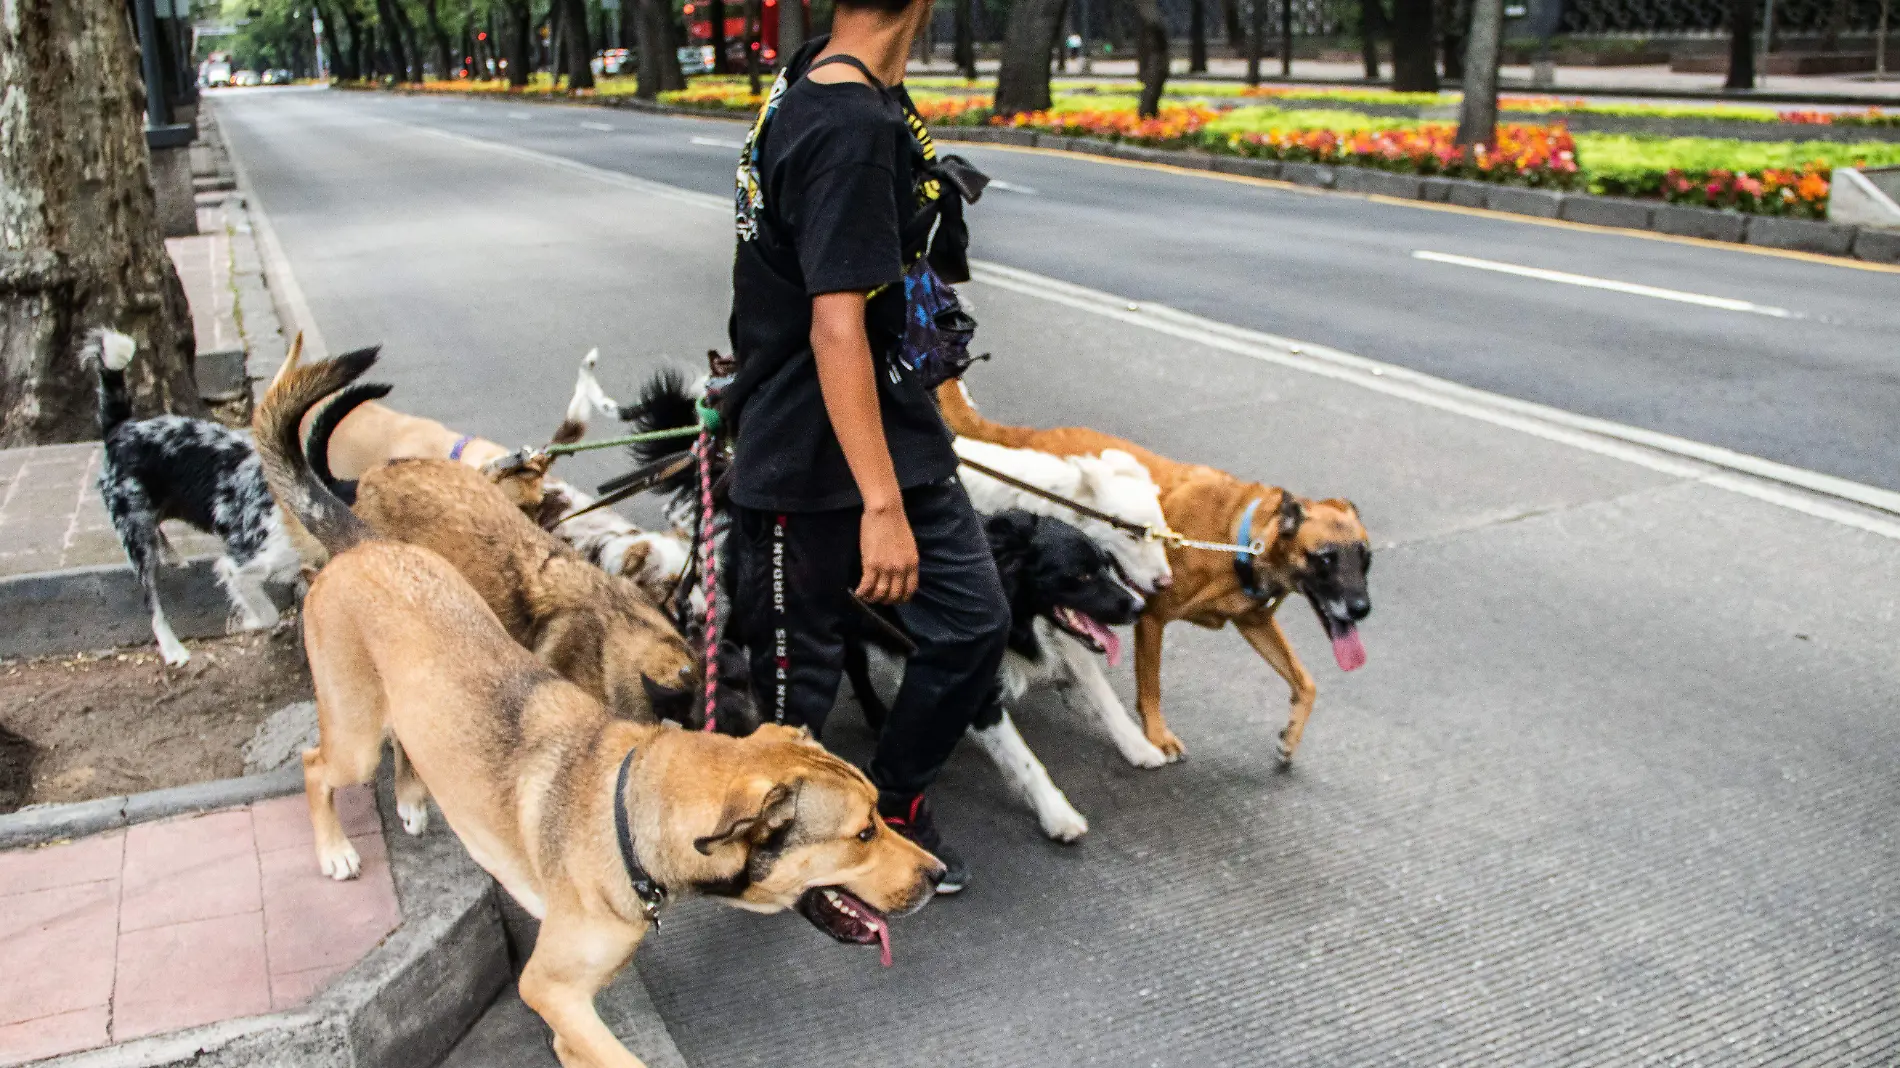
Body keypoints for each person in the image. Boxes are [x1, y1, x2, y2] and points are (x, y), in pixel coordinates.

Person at [720, 0, 1005, 894]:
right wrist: (881, 507)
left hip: (892, 424)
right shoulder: (843, 122)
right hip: (808, 452)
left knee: (972, 621)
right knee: (791, 695)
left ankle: (891, 804)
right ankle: (769, 864)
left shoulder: (845, 80)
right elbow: (834, 330)